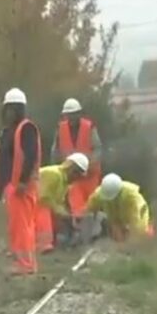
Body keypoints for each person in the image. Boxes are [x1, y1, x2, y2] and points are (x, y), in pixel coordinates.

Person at [0, 88, 42, 275]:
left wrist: (22, 181)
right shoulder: (7, 132)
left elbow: (30, 156)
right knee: (16, 227)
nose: (10, 112)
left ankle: (26, 265)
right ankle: (21, 262)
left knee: (22, 227)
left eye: (14, 108)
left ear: (20, 109)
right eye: (8, 108)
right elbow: (3, 160)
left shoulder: (26, 128)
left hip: (22, 187)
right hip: (10, 187)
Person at [50, 98, 103, 240]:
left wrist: (90, 165)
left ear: (79, 114)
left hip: (90, 174)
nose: (71, 117)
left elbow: (97, 149)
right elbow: (55, 151)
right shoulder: (60, 129)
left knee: (93, 202)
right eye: (68, 114)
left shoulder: (89, 127)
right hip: (73, 176)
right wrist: (57, 169)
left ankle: (94, 230)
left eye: (74, 114)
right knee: (76, 203)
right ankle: (81, 232)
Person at [35, 153, 90, 253]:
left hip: (36, 204)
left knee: (57, 215)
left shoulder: (64, 182)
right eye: (77, 173)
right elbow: (43, 197)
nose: (77, 178)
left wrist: (67, 215)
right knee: (45, 211)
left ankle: (52, 241)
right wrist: (60, 211)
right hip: (27, 202)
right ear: (71, 168)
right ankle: (43, 244)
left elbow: (58, 202)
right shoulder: (54, 174)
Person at [87, 173, 155, 242]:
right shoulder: (100, 193)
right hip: (116, 217)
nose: (110, 199)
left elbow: (136, 219)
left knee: (142, 233)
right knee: (116, 228)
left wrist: (135, 238)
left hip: (136, 214)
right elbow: (90, 207)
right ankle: (120, 246)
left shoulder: (131, 196)